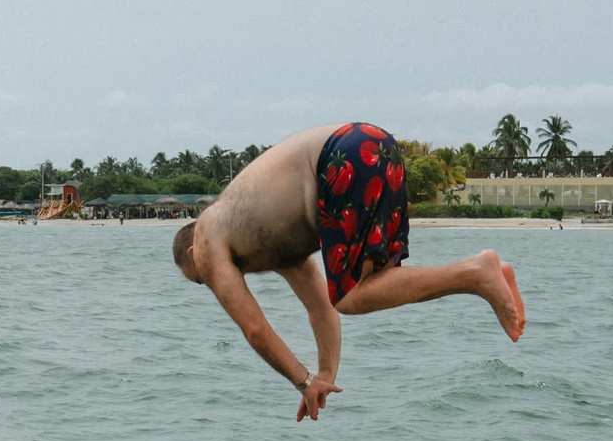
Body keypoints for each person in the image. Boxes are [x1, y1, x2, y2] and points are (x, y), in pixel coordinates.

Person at [174, 122, 526, 420]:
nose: (211, 283)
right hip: (376, 147)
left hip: (340, 158)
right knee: (369, 285)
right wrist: (324, 375)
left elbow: (254, 328)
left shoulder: (206, 238)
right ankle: (489, 272)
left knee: (349, 296)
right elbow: (320, 308)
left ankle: (478, 273)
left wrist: (302, 382)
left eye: (200, 278)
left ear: (193, 253)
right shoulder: (279, 248)